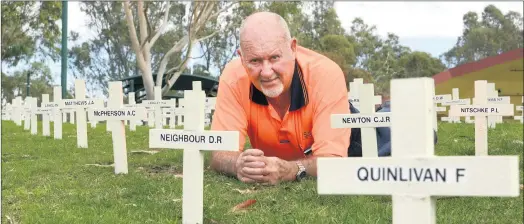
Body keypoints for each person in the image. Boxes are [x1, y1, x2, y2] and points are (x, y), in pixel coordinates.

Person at [209, 11, 351, 185]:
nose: (267, 72)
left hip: (356, 143)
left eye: (274, 57)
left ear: (292, 48)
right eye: (255, 61)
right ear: (242, 58)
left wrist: (293, 169)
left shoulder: (326, 74)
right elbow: (219, 153)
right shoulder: (233, 77)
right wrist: (238, 164)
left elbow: (333, 160)